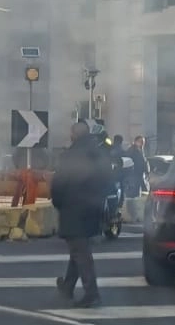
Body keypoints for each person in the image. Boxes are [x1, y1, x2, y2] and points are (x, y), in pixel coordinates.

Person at [51, 119, 114, 308]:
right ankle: (67, 286)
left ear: (74, 135)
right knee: (78, 249)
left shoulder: (69, 156)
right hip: (92, 209)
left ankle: (91, 293)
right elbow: (109, 181)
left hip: (73, 209)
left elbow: (59, 185)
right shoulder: (99, 153)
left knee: (81, 252)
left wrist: (59, 203)